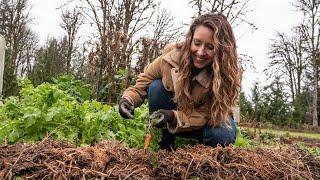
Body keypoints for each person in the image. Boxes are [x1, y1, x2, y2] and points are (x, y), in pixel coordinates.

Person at [118, 13, 241, 150]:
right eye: (197, 43)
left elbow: (206, 114)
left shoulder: (225, 76)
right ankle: (165, 142)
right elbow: (144, 81)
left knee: (221, 134)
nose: (200, 52)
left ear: (221, 50)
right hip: (177, 117)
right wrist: (127, 100)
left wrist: (172, 116)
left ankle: (204, 153)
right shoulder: (171, 58)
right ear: (190, 39)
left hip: (208, 122)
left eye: (210, 47)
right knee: (156, 87)